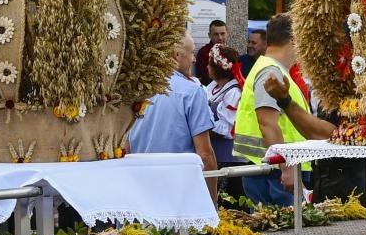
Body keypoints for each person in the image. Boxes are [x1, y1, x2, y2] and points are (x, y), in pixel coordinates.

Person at [236, 13, 332, 206]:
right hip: (277, 175)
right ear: (295, 38)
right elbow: (267, 122)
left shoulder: (269, 68)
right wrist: (286, 168)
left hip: (273, 170)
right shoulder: (271, 72)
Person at [129, 34, 218, 197]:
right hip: (177, 192)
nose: (194, 60)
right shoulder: (192, 92)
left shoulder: (134, 89)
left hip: (138, 188)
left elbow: (124, 145)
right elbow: (205, 154)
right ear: (177, 55)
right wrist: (212, 201)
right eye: (192, 53)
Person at [204, 43, 244, 170]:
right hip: (216, 155)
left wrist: (203, 127)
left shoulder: (233, 93)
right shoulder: (212, 88)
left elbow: (229, 130)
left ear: (218, 68)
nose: (207, 67)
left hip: (229, 160)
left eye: (210, 64)